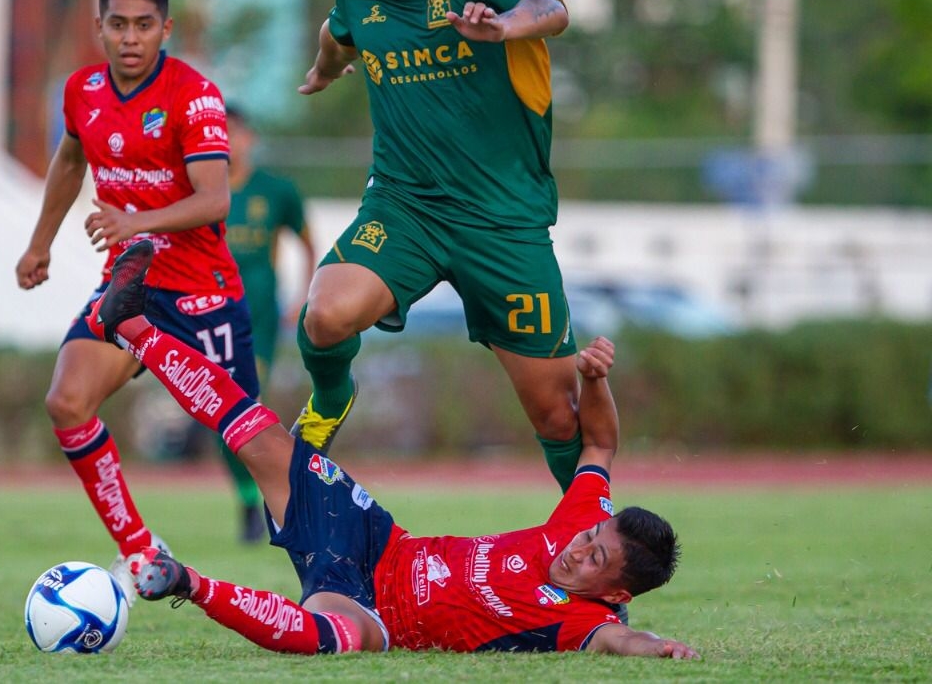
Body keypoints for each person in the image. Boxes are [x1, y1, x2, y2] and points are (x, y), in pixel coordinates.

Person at [87, 242, 699, 659]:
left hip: (378, 616)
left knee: (327, 637)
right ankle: (132, 326)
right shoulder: (579, 522)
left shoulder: (586, 623)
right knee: (261, 436)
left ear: (616, 594)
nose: (578, 552)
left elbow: (625, 643)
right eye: (590, 541)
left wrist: (663, 646)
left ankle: (184, 582)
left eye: (596, 562)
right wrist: (594, 378)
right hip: (379, 542)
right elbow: (598, 442)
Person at [292, 0, 586, 496]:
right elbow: (337, 32)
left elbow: (551, 7)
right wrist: (320, 70)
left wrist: (505, 27)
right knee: (325, 316)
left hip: (503, 220)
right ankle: (331, 399)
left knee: (560, 413)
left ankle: (598, 560)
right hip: (407, 209)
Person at [15, 0, 261, 600]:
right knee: (67, 402)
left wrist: (135, 220)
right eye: (118, 24)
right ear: (99, 27)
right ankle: (143, 554)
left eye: (144, 26)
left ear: (165, 29)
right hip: (130, 291)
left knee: (255, 447)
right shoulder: (81, 92)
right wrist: (39, 243)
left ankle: (329, 566)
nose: (130, 38)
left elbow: (215, 199)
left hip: (202, 294)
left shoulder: (194, 95)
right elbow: (70, 160)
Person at [218, 103, 317, 543]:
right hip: (207, 313)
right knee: (216, 414)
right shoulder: (203, 192)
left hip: (256, 316)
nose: (228, 142)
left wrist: (303, 295)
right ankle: (246, 497)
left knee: (243, 399)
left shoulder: (275, 191)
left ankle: (276, 498)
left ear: (249, 138)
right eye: (220, 133)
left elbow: (309, 245)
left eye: (234, 132)